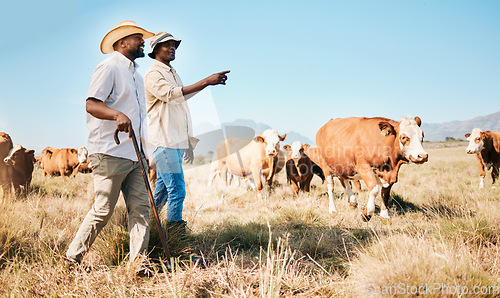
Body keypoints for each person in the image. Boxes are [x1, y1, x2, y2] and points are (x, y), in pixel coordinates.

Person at [66, 21, 154, 270]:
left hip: (136, 154)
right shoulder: (109, 66)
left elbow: (139, 119)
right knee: (103, 210)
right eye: (138, 38)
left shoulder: (136, 76)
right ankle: (73, 257)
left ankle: (139, 264)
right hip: (110, 151)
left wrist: (145, 153)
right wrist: (116, 114)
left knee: (141, 209)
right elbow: (92, 104)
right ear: (123, 42)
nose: (143, 42)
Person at [144, 31, 229, 234]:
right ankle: (176, 237)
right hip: (164, 142)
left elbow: (181, 101)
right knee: (178, 191)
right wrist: (206, 81)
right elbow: (172, 94)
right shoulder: (153, 74)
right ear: (155, 50)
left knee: (163, 192)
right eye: (167, 44)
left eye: (174, 44)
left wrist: (187, 142)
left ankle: (145, 229)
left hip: (174, 142)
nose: (172, 47)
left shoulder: (172, 73)